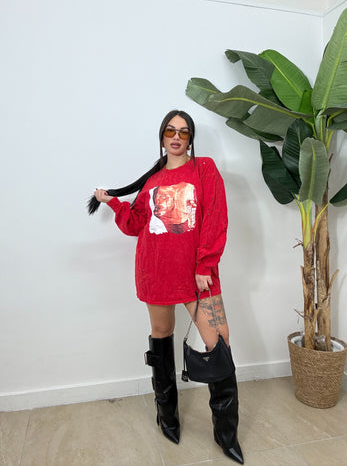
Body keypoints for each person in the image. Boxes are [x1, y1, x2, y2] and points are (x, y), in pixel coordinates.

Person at [93, 110, 243, 464]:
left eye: (184, 132)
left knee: (218, 342)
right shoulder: (152, 181)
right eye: (170, 131)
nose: (177, 137)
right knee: (161, 336)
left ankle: (226, 435)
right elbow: (136, 225)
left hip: (197, 274)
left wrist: (204, 264)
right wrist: (113, 202)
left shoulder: (204, 169)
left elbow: (216, 216)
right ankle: (167, 417)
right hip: (155, 270)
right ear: (162, 137)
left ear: (191, 139)